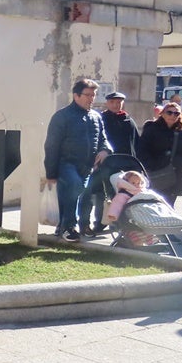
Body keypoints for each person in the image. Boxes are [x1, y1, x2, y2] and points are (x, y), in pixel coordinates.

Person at [43, 78, 111, 242]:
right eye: (87, 95)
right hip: (66, 163)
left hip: (88, 165)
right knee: (74, 188)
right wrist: (51, 172)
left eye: (93, 95)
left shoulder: (96, 117)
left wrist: (105, 150)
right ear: (76, 96)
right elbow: (51, 145)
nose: (91, 98)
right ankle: (68, 227)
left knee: (83, 194)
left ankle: (74, 226)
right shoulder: (62, 116)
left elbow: (103, 138)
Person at [81, 91, 138, 235]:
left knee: (119, 195)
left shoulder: (128, 121)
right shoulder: (101, 119)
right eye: (112, 102)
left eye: (119, 102)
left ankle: (116, 223)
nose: (116, 105)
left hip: (123, 165)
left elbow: (135, 143)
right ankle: (96, 223)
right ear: (107, 103)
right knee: (98, 194)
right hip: (103, 163)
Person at [136, 101, 182, 207]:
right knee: (155, 205)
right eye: (169, 112)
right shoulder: (152, 128)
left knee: (169, 205)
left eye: (176, 113)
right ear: (162, 113)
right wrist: (153, 165)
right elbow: (142, 150)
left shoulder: (181, 132)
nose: (172, 115)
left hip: (175, 175)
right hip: (156, 174)